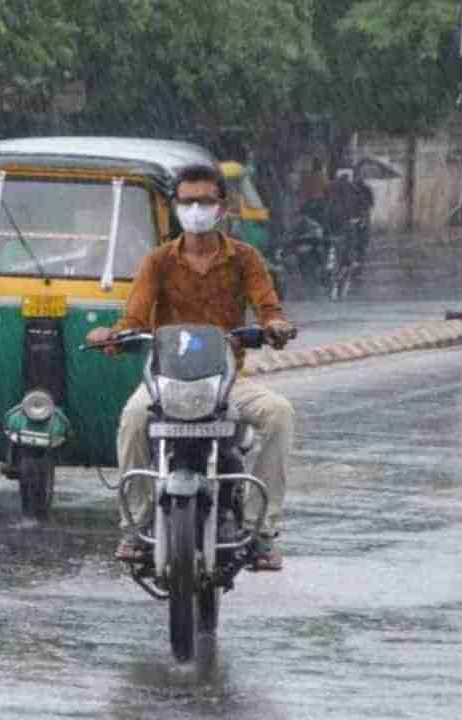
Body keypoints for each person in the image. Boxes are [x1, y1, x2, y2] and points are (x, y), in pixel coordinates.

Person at [85, 164, 297, 571]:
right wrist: (113, 336)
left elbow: (269, 308)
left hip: (225, 382)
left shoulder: (245, 259)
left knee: (280, 414)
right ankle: (135, 524)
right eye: (187, 201)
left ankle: (261, 530)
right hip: (166, 383)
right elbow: (133, 318)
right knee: (131, 419)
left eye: (205, 201)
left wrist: (275, 327)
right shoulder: (159, 261)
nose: (196, 208)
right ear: (176, 207)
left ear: (222, 207)